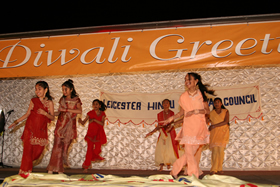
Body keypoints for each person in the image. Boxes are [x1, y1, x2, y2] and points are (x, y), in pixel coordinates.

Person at [161, 72, 215, 178]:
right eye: (185, 80)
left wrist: (195, 111)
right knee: (189, 152)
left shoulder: (201, 94)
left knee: (189, 153)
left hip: (199, 127)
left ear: (196, 81)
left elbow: (207, 111)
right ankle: (193, 175)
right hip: (188, 127)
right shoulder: (183, 96)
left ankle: (174, 171)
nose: (187, 82)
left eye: (189, 79)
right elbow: (181, 113)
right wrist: (171, 118)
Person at [8, 81, 54, 177]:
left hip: (41, 131)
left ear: (46, 90)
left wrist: (45, 113)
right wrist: (15, 122)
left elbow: (52, 117)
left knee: (38, 151)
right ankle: (24, 172)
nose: (37, 91)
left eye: (39, 89)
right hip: (30, 129)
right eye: (36, 89)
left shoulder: (49, 103)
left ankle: (26, 167)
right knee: (27, 151)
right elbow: (27, 114)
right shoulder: (33, 100)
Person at [47, 79, 82, 174]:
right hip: (60, 125)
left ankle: (59, 170)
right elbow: (59, 112)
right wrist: (49, 114)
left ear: (71, 89)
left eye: (66, 89)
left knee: (64, 149)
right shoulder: (62, 99)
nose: (64, 91)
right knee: (56, 147)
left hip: (70, 127)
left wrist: (67, 110)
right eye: (62, 89)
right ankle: (51, 169)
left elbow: (79, 111)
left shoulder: (76, 100)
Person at [145, 99, 182, 171]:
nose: (165, 104)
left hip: (170, 132)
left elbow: (172, 123)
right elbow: (159, 126)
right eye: (164, 103)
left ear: (169, 105)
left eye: (167, 103)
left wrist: (168, 129)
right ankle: (161, 165)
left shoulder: (172, 113)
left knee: (170, 148)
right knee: (161, 148)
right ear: (162, 105)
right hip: (162, 133)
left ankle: (169, 163)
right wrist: (151, 132)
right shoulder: (159, 114)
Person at [79, 99, 107, 173]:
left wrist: (94, 120)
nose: (95, 105)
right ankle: (86, 166)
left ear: (100, 105)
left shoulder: (102, 113)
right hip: (91, 134)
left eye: (97, 104)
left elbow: (102, 124)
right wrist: (79, 120)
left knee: (97, 149)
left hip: (99, 134)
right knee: (89, 150)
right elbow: (83, 122)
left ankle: (91, 158)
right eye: (94, 104)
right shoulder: (90, 113)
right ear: (92, 105)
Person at [208, 97, 229, 175]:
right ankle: (214, 169)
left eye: (218, 102)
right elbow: (207, 120)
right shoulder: (211, 113)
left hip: (223, 133)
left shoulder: (225, 111)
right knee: (214, 151)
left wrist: (214, 126)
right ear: (213, 104)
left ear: (221, 104)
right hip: (214, 133)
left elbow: (226, 121)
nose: (217, 104)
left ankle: (220, 168)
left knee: (221, 151)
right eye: (215, 102)